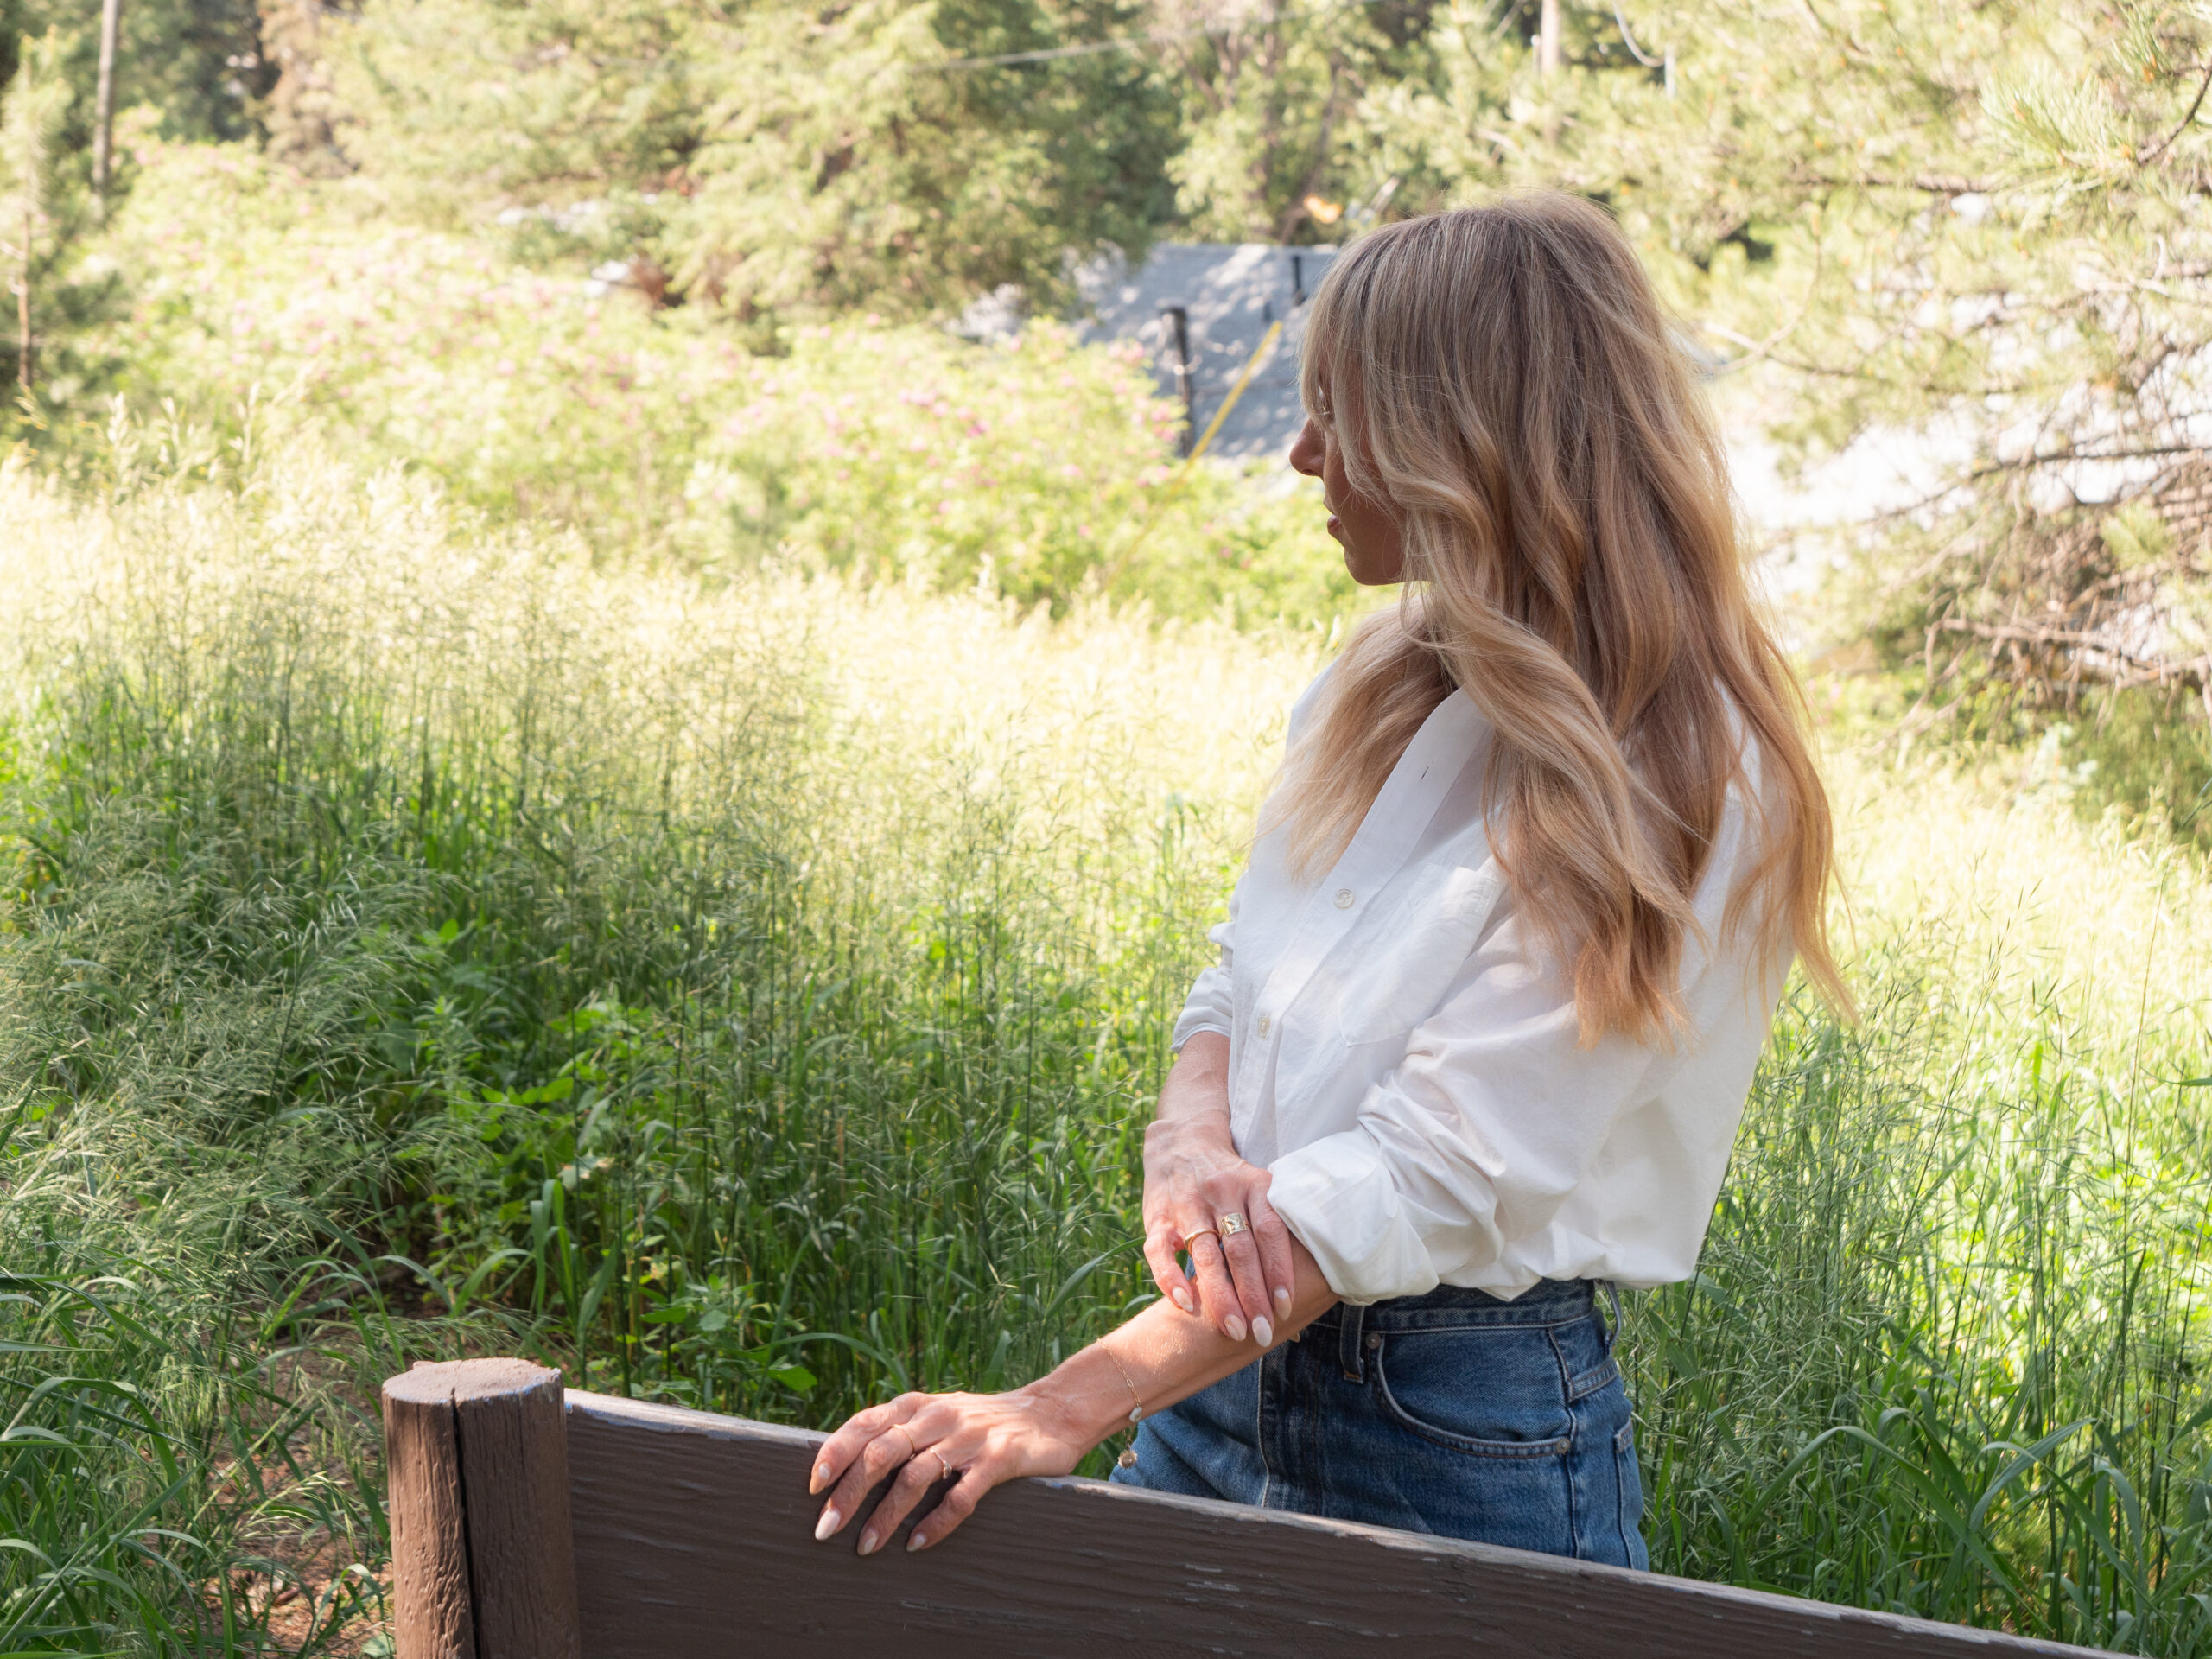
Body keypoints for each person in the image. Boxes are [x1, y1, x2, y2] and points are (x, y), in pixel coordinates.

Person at [804, 191, 1847, 1565]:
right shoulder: (1380, 685)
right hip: (1216, 1370)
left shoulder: (1687, 770)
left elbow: (1435, 1177)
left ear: (1467, 446)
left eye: (1339, 418)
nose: (1302, 456)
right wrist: (1184, 1140)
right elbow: (1241, 969)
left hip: (1451, 1426)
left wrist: (1061, 1404)